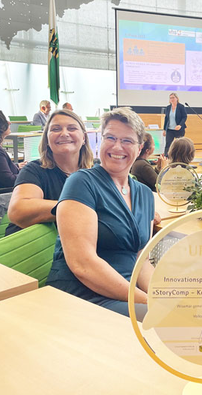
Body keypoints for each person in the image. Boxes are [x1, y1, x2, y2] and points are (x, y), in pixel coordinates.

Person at [46, 107, 155, 320]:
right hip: (82, 294)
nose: (117, 146)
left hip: (126, 293)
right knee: (173, 325)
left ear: (140, 147)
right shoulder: (81, 183)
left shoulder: (145, 194)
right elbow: (83, 265)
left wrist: (162, 296)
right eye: (110, 138)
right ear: (100, 141)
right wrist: (147, 301)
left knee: (188, 315)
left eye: (127, 140)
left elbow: (142, 261)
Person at [6, 109, 94, 235]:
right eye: (56, 129)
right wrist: (76, 207)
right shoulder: (34, 170)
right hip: (34, 244)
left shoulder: (95, 171)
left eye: (72, 128)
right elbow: (18, 210)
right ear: (47, 139)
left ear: (84, 137)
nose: (64, 133)